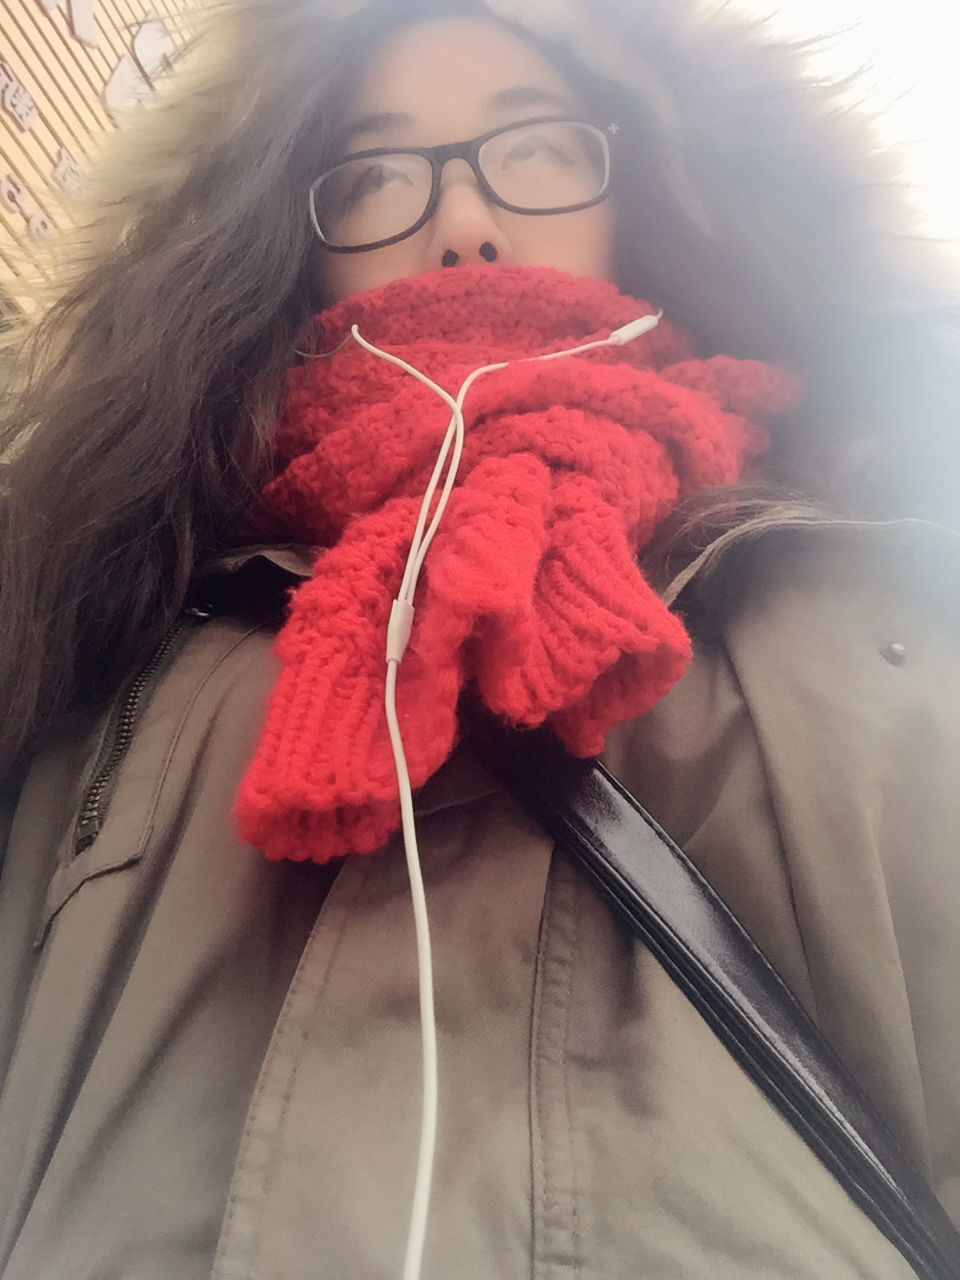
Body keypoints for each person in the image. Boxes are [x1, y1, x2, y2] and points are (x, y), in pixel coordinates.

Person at [0, 0, 958, 1276]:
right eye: (379, 171)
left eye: (537, 145)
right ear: (291, 230)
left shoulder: (878, 596)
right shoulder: (91, 628)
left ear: (646, 183)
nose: (463, 224)